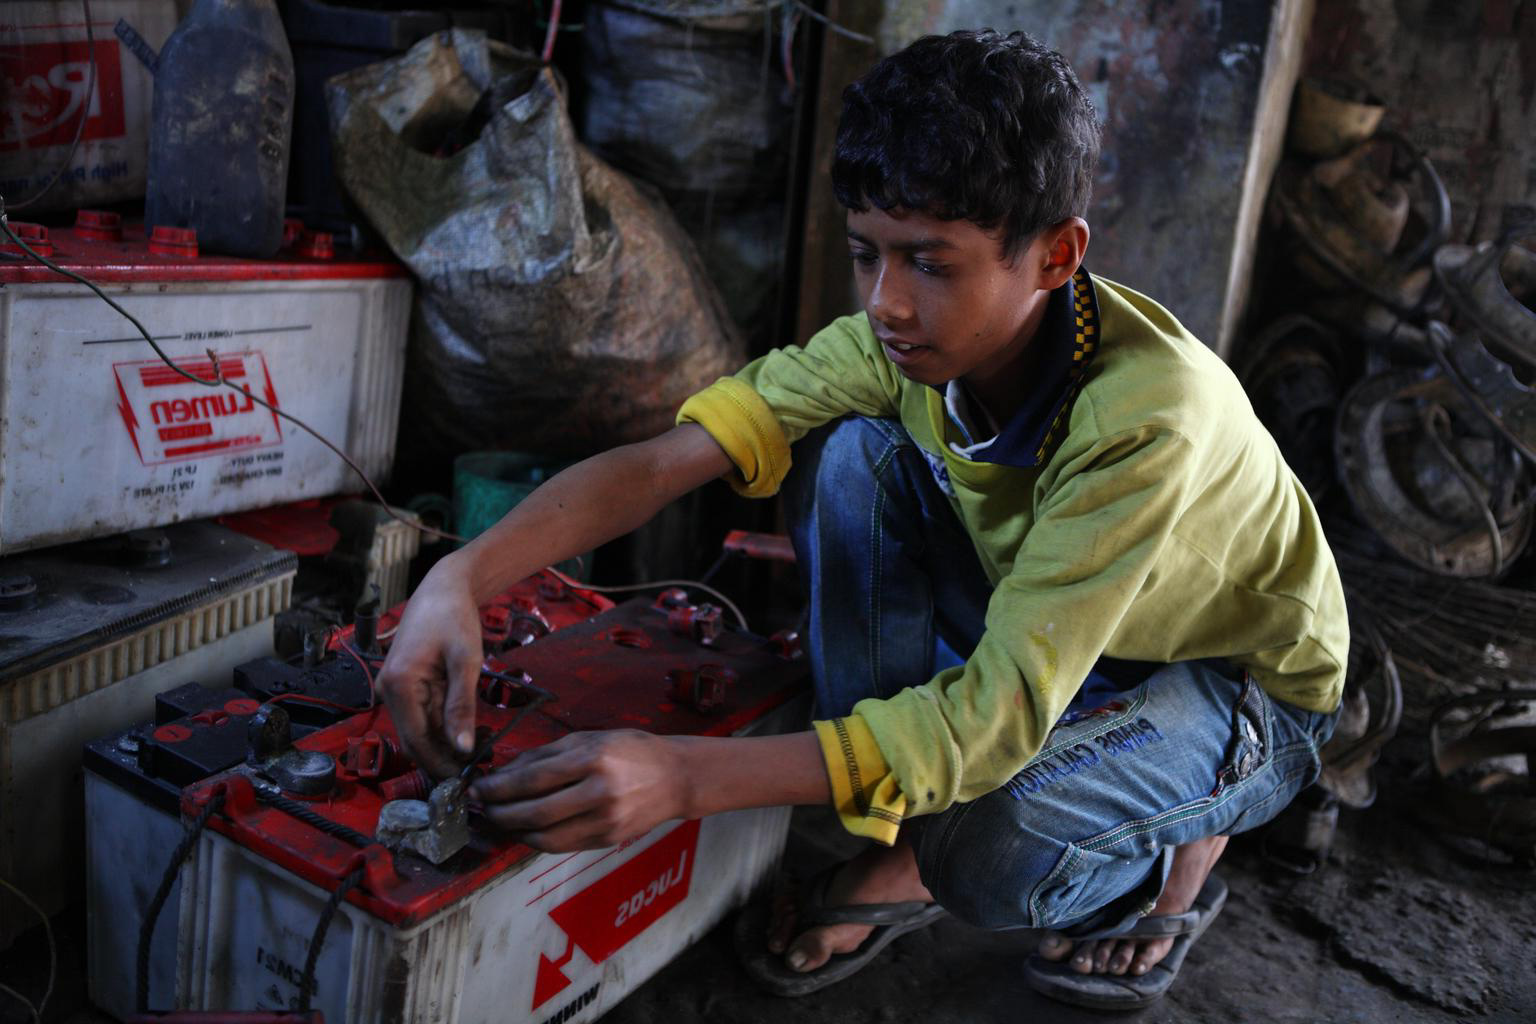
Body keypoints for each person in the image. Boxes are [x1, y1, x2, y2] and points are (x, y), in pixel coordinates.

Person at [376, 28, 1346, 1011]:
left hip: (1231, 679)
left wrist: (686, 776)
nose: (886, 303)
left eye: (929, 262)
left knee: (989, 839)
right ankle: (891, 827)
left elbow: (995, 720)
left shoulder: (1146, 419)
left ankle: (1161, 865)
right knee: (855, 462)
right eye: (865, 254)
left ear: (1056, 255)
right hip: (1079, 623)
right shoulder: (896, 343)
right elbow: (667, 462)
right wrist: (459, 578)